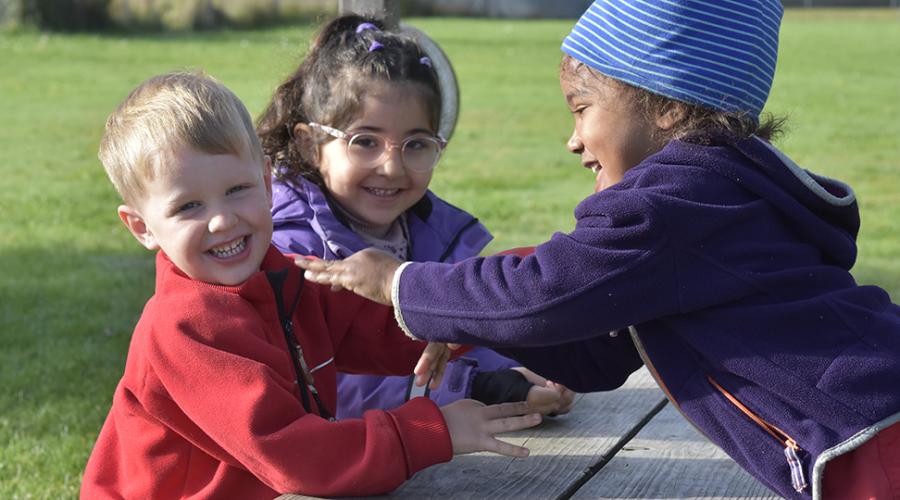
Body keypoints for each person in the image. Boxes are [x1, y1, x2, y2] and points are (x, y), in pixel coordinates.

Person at [296, 1, 900, 499]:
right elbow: (599, 358)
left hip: (870, 440)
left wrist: (402, 284)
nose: (573, 139)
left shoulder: (670, 204)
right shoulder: (721, 192)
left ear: (666, 105)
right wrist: (459, 324)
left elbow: (542, 293)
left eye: (582, 108)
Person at [80, 70, 543, 499]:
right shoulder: (184, 329)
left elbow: (388, 325)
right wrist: (433, 430)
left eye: (237, 190)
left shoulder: (292, 280)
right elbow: (292, 453)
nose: (222, 219)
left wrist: (512, 293)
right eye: (188, 207)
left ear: (265, 181)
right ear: (141, 227)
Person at [256, 14, 574, 420]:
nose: (392, 167)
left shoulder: (432, 235)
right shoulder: (292, 253)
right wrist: (480, 389)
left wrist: (531, 371)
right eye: (365, 141)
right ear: (310, 143)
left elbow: (461, 337)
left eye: (416, 144)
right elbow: (320, 385)